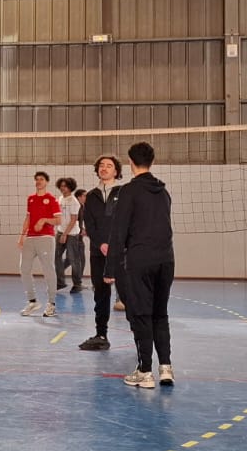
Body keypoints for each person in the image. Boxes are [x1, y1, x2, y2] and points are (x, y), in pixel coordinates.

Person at [105, 142, 174, 389]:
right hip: (166, 260)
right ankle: (165, 368)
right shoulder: (163, 192)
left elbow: (118, 231)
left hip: (140, 260)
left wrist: (110, 269)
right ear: (152, 161)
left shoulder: (128, 191)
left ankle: (145, 371)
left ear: (130, 162)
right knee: (160, 314)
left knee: (141, 315)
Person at [78, 156, 123, 350]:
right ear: (97, 170)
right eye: (101, 166)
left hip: (121, 252)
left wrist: (115, 245)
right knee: (101, 294)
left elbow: (126, 221)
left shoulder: (124, 193)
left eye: (109, 166)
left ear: (116, 171)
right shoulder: (91, 196)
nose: (104, 168)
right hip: (98, 252)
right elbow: (89, 224)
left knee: (129, 294)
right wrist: (101, 244)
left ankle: (140, 336)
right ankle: (101, 335)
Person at [18, 171, 61, 316]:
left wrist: (44, 220)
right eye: (36, 179)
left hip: (46, 238)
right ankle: (32, 301)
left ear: (46, 182)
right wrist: (22, 236)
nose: (38, 181)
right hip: (30, 238)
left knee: (48, 270)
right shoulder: (31, 199)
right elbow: (28, 218)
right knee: (24, 269)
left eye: (41, 179)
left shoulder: (52, 199)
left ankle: (51, 304)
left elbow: (58, 221)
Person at [54, 177, 84, 292]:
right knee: (56, 257)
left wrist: (65, 234)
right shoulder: (60, 198)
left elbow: (73, 219)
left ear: (70, 187)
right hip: (60, 231)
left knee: (73, 259)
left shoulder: (74, 201)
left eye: (65, 186)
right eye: (61, 186)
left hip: (71, 234)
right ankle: (60, 282)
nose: (63, 188)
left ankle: (77, 284)